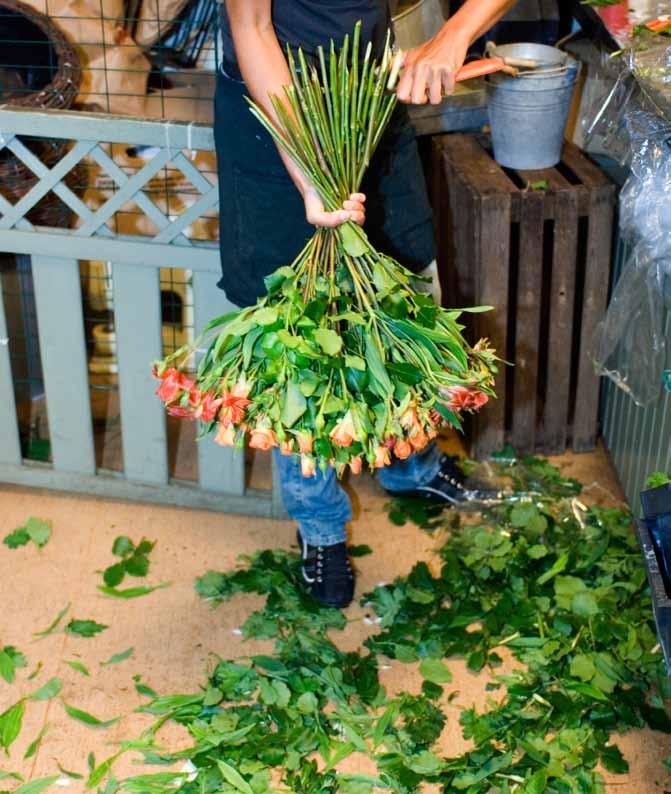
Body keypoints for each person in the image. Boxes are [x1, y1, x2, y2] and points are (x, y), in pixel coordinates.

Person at [216, 0, 515, 609]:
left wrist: (455, 35)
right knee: (299, 333)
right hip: (280, 107)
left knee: (401, 288)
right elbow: (252, 26)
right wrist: (312, 174)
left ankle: (412, 468)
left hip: (368, 93)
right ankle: (321, 526)